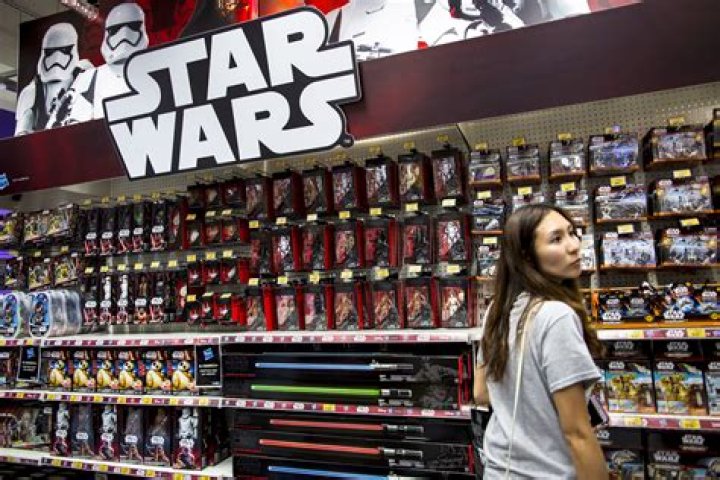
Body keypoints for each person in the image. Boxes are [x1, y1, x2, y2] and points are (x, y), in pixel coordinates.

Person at [474, 204, 607, 479]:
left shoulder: (497, 310)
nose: (574, 246)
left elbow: (481, 392)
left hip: (499, 470)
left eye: (572, 233)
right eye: (556, 239)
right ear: (527, 256)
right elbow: (578, 433)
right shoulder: (556, 316)